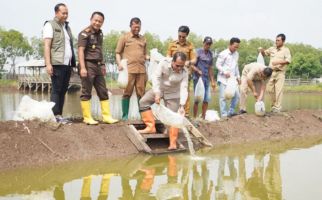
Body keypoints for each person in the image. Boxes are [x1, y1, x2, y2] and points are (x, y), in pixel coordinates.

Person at [138, 52, 188, 150]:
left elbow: (184, 88)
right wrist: (157, 93)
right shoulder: (163, 63)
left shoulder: (185, 72)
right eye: (177, 65)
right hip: (159, 89)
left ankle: (173, 143)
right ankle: (150, 127)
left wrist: (182, 105)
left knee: (173, 117)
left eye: (181, 66)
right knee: (143, 102)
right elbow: (156, 77)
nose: (179, 68)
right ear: (172, 61)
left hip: (173, 94)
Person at [78, 12, 118, 124]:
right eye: (95, 20)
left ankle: (107, 116)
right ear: (91, 19)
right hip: (88, 64)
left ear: (102, 23)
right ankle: (87, 117)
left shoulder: (100, 33)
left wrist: (103, 64)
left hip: (98, 65)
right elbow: (80, 51)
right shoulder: (84, 34)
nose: (97, 23)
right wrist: (82, 68)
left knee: (103, 91)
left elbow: (99, 50)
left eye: (100, 21)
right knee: (87, 91)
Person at [43, 3, 76, 123]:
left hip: (67, 64)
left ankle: (59, 115)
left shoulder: (67, 27)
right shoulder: (50, 25)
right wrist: (48, 64)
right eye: (63, 13)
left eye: (67, 13)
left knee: (63, 90)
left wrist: (72, 64)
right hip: (57, 63)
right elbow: (47, 45)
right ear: (56, 12)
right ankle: (54, 115)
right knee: (56, 89)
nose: (66, 15)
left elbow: (69, 46)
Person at [115, 17, 149, 120]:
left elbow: (145, 53)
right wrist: (119, 63)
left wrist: (148, 57)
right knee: (127, 93)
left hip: (141, 70)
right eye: (135, 27)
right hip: (128, 71)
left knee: (141, 94)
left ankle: (142, 117)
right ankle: (125, 116)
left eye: (139, 27)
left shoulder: (143, 39)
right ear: (130, 26)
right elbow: (117, 53)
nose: (137, 29)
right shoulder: (124, 37)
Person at [167, 25, 197, 118]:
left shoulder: (190, 46)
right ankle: (172, 112)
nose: (181, 38)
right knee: (171, 92)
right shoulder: (172, 44)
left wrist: (188, 62)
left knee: (185, 92)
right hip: (173, 72)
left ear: (187, 35)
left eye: (183, 37)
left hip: (185, 73)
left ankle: (186, 114)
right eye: (179, 36)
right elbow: (167, 57)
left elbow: (194, 60)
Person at [259, 33, 292, 113]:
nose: (276, 41)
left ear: (283, 41)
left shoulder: (286, 50)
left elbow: (288, 61)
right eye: (276, 40)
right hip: (271, 72)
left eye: (278, 40)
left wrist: (278, 62)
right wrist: (262, 51)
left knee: (279, 90)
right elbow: (264, 54)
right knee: (269, 90)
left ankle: (277, 107)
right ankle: (273, 105)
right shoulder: (272, 49)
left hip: (280, 73)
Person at [216, 37, 241, 118]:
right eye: (235, 47)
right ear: (230, 45)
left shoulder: (237, 54)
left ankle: (231, 111)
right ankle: (224, 115)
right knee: (223, 97)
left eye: (237, 47)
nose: (236, 49)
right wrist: (224, 72)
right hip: (223, 78)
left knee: (237, 95)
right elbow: (218, 65)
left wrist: (238, 76)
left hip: (232, 79)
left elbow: (236, 66)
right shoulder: (223, 54)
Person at [192, 36, 216, 119]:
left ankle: (203, 116)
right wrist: (198, 70)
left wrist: (212, 81)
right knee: (197, 99)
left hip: (206, 79)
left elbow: (210, 68)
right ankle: (194, 117)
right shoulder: (197, 52)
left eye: (209, 44)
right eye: (207, 44)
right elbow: (192, 65)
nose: (208, 45)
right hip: (198, 79)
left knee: (207, 98)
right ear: (203, 43)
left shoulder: (210, 54)